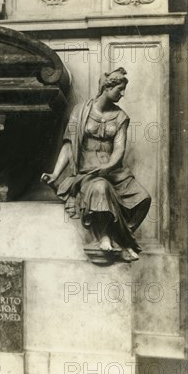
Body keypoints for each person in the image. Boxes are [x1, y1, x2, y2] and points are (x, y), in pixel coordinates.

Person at [41, 68, 151, 262]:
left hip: (113, 172)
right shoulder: (80, 111)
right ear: (107, 87)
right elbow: (69, 144)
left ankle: (119, 236)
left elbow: (119, 149)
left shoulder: (120, 117)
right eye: (120, 89)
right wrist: (55, 174)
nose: (123, 94)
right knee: (100, 188)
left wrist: (108, 166)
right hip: (88, 174)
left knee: (144, 199)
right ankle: (106, 236)